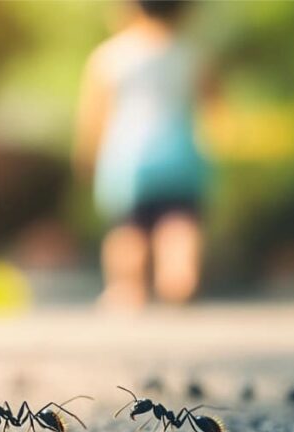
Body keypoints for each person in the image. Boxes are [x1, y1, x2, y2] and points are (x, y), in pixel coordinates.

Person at [74, 0, 214, 309]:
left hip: (127, 155)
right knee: (180, 222)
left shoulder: (111, 55)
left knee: (129, 227)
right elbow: (212, 104)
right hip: (181, 152)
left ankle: (127, 288)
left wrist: (86, 154)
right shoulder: (191, 54)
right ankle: (178, 276)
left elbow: (93, 114)